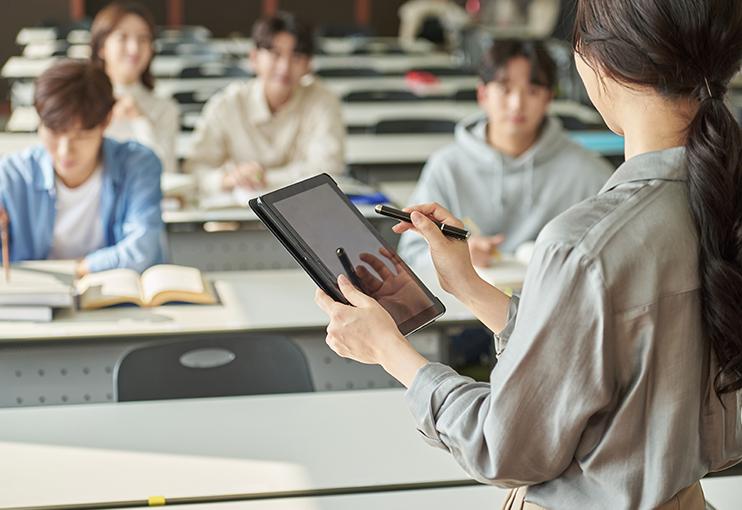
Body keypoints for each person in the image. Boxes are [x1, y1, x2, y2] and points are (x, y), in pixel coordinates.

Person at [315, 0, 742, 508]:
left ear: (597, 61)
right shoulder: (721, 199)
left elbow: (504, 448)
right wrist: (470, 287)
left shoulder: (584, 243)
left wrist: (388, 349)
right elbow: (590, 348)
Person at [397, 39, 612, 268]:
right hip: (462, 300)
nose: (516, 104)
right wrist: (458, 257)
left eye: (531, 90)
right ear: (483, 95)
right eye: (504, 89)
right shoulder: (447, 167)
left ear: (548, 98)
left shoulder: (588, 172)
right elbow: (411, 255)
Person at [0, 60, 165, 284]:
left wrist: (67, 273)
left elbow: (140, 251)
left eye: (81, 136)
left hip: (114, 303)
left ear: (106, 121)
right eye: (54, 132)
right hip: (34, 309)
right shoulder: (7, 176)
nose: (64, 150)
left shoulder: (138, 165)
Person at [182, 11, 345, 195]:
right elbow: (195, 170)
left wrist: (262, 178)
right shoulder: (227, 105)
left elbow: (328, 169)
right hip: (237, 215)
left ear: (309, 65)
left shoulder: (323, 100)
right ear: (254, 58)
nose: (284, 67)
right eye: (275, 54)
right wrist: (227, 178)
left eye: (296, 57)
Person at [90, 1, 180, 173]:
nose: (134, 49)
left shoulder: (165, 108)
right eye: (122, 37)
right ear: (101, 47)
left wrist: (139, 118)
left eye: (143, 38)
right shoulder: (84, 102)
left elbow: (166, 171)